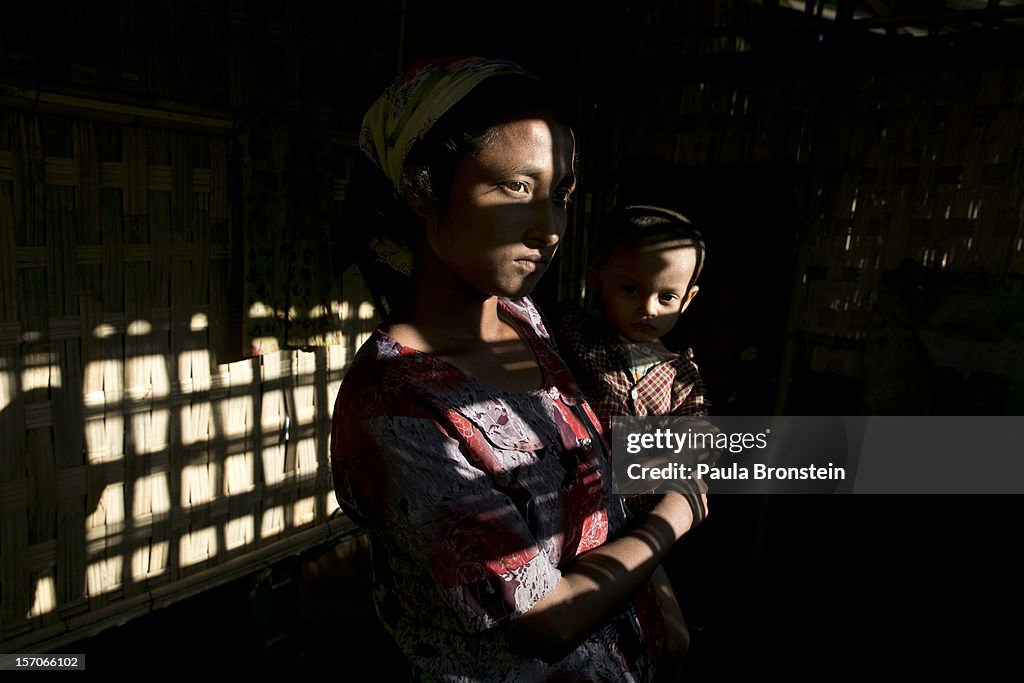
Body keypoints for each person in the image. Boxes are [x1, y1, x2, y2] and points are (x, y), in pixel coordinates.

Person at [330, 56, 706, 682]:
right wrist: (679, 511)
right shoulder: (397, 405)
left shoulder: (522, 320)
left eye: (560, 195)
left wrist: (660, 601)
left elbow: (595, 493)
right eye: (516, 188)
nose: (550, 227)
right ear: (423, 187)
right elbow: (543, 620)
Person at [556, 205, 710, 430]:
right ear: (597, 282)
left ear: (686, 300)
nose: (649, 308)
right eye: (632, 290)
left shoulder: (681, 375)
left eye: (667, 297)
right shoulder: (574, 329)